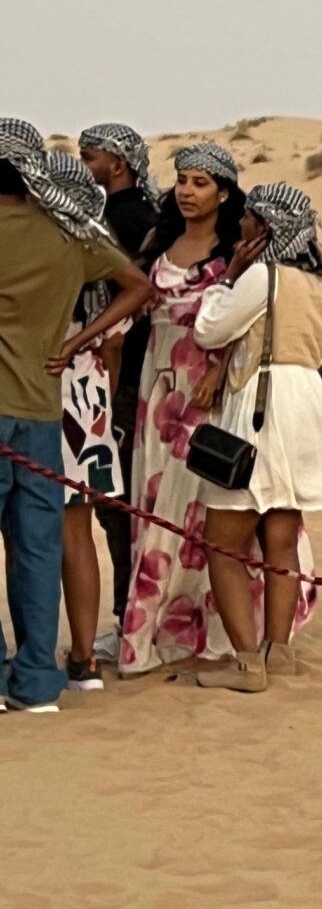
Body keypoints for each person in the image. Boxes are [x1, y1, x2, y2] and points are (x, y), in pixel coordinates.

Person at [191, 183, 322, 692]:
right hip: (307, 415)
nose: (241, 225)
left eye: (249, 218)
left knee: (224, 544)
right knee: (281, 538)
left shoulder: (259, 279)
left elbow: (208, 330)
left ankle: (247, 664)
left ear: (265, 228)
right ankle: (281, 652)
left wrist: (225, 278)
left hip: (260, 411)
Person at [0, 122, 151, 713]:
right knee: (38, 547)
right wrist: (76, 343)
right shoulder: (68, 234)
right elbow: (138, 286)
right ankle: (38, 683)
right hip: (41, 409)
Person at [117, 140, 257, 679]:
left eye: (201, 183)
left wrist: (220, 371)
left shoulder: (235, 253)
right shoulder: (159, 242)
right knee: (157, 503)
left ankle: (210, 629)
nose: (188, 191)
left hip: (207, 393)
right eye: (182, 181)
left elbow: (248, 323)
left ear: (223, 192)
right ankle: (152, 627)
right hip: (159, 388)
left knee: (203, 509)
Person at [41, 151, 133, 692]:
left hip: (42, 386)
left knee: (26, 526)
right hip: (90, 396)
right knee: (78, 529)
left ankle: (36, 653)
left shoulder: (45, 247)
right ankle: (85, 659)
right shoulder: (100, 249)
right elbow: (116, 341)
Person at [77, 122, 163, 634]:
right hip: (137, 372)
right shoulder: (146, 215)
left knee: (118, 506)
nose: (87, 166)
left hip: (121, 375)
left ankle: (128, 616)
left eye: (92, 157)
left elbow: (137, 294)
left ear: (118, 163)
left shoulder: (121, 219)